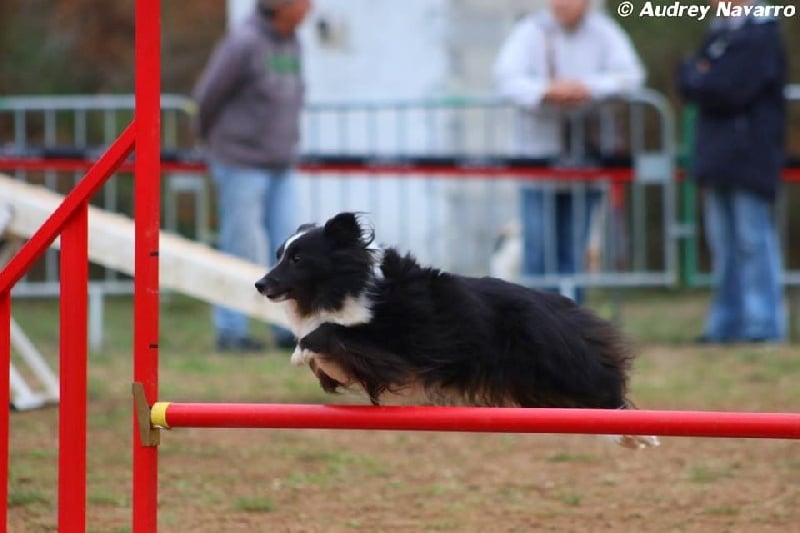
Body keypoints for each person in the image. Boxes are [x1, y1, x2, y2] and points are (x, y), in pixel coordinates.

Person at [492, 0, 644, 302]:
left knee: (574, 252)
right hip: (537, 160)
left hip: (585, 161)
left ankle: (572, 324)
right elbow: (506, 79)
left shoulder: (604, 31)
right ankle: (537, 325)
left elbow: (631, 76)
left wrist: (587, 87)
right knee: (537, 250)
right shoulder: (529, 31)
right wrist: (547, 91)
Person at [193, 0, 312, 352]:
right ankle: (231, 329)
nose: (310, 8)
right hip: (240, 161)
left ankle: (285, 326)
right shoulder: (243, 42)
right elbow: (207, 97)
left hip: (281, 161)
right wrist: (212, 143)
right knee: (240, 247)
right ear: (281, 7)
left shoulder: (294, 42)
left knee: (291, 249)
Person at [678, 0, 786, 343]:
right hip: (717, 154)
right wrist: (701, 73)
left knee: (753, 242)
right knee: (723, 247)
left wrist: (705, 74)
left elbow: (730, 87)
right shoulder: (721, 31)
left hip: (749, 155)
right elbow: (688, 76)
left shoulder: (760, 32)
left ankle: (763, 326)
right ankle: (726, 325)